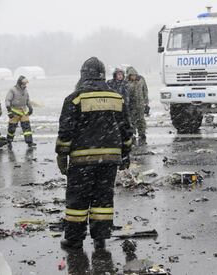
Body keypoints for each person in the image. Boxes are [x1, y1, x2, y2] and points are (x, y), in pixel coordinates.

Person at [56, 57, 133, 250]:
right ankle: (100, 239)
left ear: (83, 75)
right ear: (103, 75)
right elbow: (126, 129)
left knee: (77, 200)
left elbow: (66, 131)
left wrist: (61, 154)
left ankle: (74, 240)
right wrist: (126, 154)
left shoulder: (75, 98)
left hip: (82, 159)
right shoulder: (117, 98)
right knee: (103, 200)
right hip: (109, 160)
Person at [5, 76, 36, 148]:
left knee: (27, 128)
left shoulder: (25, 90)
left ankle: (29, 142)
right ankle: (9, 141)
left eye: (26, 84)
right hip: (14, 112)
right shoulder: (12, 90)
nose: (25, 85)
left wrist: (30, 108)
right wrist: (9, 111)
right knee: (11, 129)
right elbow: (7, 100)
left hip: (24, 112)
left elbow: (27, 100)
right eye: (24, 83)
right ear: (19, 83)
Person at [126, 67, 149, 143]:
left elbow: (145, 91)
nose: (133, 77)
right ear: (129, 75)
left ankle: (142, 133)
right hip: (131, 104)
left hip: (140, 104)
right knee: (132, 120)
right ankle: (132, 133)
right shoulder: (126, 82)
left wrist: (146, 103)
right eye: (131, 75)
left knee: (141, 119)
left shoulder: (141, 80)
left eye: (134, 75)